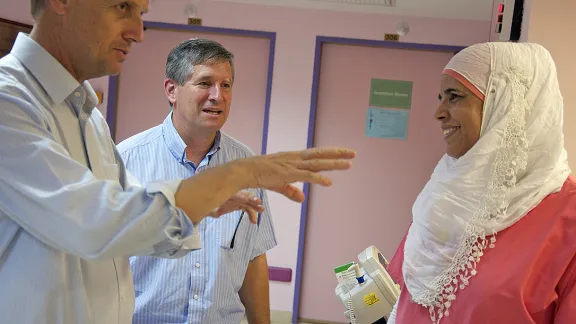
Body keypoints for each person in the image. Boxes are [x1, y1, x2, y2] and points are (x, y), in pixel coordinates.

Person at [0, 1, 356, 323]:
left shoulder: (89, 119)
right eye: (123, 7)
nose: (138, 32)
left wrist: (203, 204)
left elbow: (142, 221)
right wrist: (236, 175)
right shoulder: (10, 102)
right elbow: (100, 222)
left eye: (141, 14)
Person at [385, 41, 576, 324]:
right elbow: (404, 291)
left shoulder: (567, 217)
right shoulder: (445, 192)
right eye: (440, 97)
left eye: (454, 96)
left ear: (506, 104)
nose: (438, 112)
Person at [117, 38, 277, 324]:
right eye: (205, 83)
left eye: (226, 85)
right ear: (171, 90)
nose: (217, 95)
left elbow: (253, 258)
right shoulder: (126, 161)